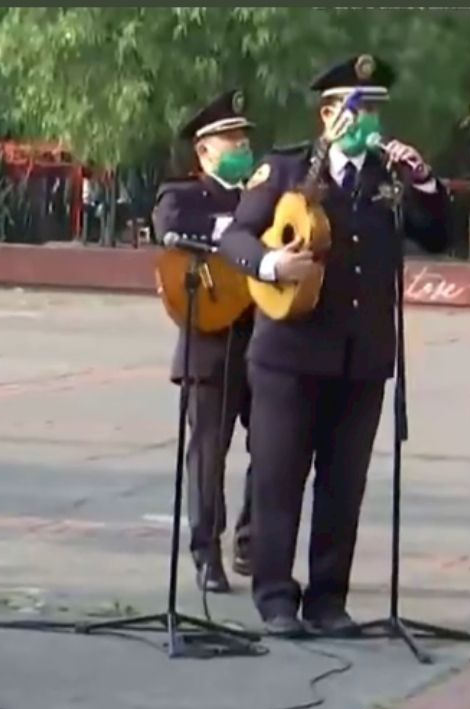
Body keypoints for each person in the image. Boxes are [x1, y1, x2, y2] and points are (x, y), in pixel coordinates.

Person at [220, 55, 450, 638]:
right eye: (359, 108)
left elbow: (437, 235)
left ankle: (328, 600)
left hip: (362, 356)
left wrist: (424, 181)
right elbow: (237, 238)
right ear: (329, 114)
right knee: (278, 477)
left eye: (375, 109)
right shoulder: (288, 168)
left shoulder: (388, 180)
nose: (370, 120)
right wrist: (272, 263)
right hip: (289, 355)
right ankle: (275, 597)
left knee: (343, 486)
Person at [153, 90, 257, 594]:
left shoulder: (266, 200)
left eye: (244, 139)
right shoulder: (184, 196)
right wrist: (237, 234)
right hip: (211, 344)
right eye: (230, 140)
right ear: (205, 152)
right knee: (209, 455)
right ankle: (205, 550)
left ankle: (252, 540)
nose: (242, 147)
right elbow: (171, 230)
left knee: (277, 449)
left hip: (266, 342)